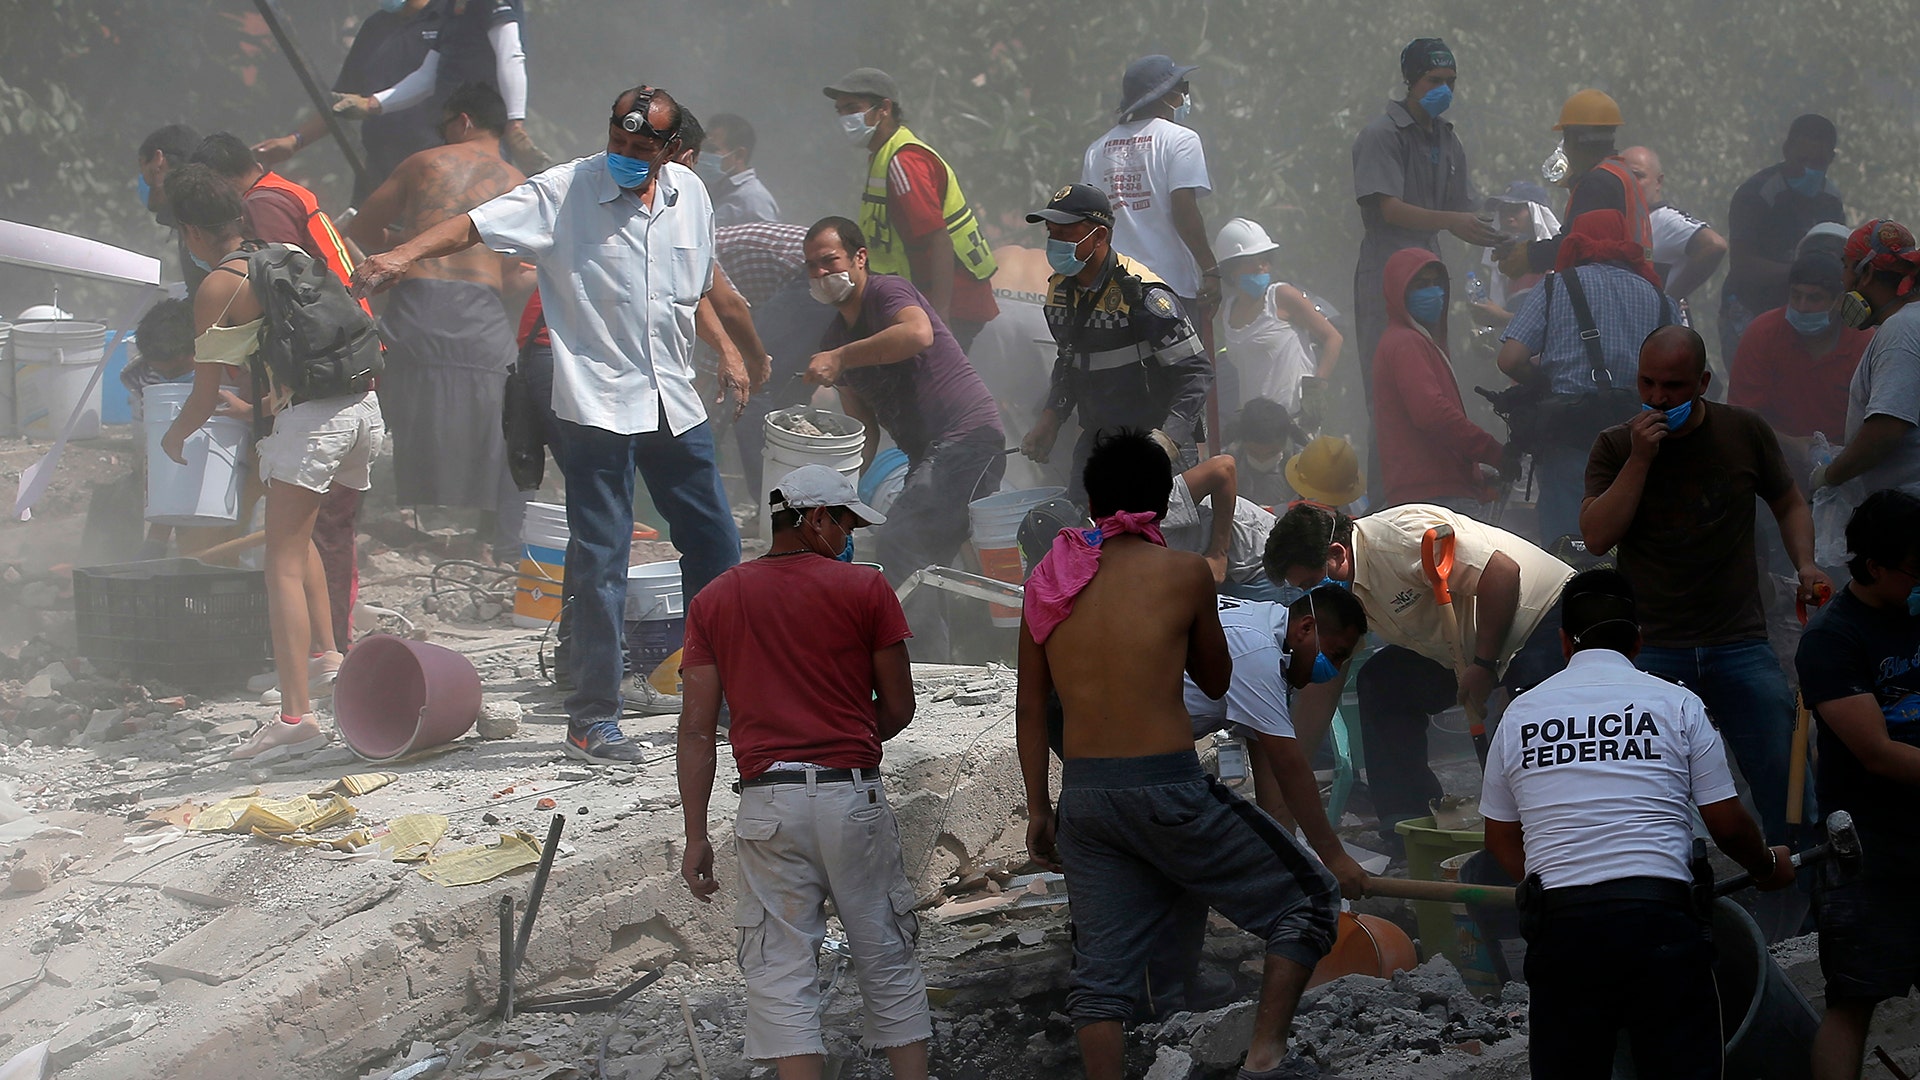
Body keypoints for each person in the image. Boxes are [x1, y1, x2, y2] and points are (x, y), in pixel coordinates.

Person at [353, 85, 742, 764]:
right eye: (617, 144)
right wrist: (401, 256)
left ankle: (728, 698)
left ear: (672, 152)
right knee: (602, 554)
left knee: (717, 544)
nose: (624, 157)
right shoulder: (564, 191)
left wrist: (732, 348)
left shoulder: (692, 197)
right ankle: (592, 719)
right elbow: (473, 222)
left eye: (641, 149)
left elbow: (699, 283)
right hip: (595, 401)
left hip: (672, 398)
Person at [1017, 430, 1337, 1080]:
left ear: (1093, 499)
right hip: (1164, 785)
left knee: (1101, 978)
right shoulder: (1184, 572)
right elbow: (1216, 680)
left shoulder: (1048, 579)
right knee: (1309, 900)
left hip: (1085, 798)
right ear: (1159, 503)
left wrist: (1039, 809)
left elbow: (1029, 709)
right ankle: (1264, 1059)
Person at [1480, 567, 1794, 1080]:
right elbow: (1727, 823)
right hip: (1660, 928)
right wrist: (1767, 867)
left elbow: (1499, 838)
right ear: (1638, 640)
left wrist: (1558, 880)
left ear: (1563, 643)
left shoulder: (1520, 715)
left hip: (1563, 935)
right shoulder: (1677, 704)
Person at [677, 464, 929, 1080]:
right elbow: (899, 707)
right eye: (843, 522)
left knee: (780, 973)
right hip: (851, 799)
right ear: (814, 518)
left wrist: (695, 834)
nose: (848, 536)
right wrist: (846, 737)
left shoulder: (715, 600)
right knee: (886, 956)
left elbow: (695, 729)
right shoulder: (866, 589)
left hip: (767, 806)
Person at [158, 164, 385, 763]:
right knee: (296, 532)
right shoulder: (285, 252)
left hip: (314, 423)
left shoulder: (218, 287)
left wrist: (174, 437)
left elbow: (204, 395)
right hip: (362, 407)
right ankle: (326, 656)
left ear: (190, 230)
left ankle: (295, 718)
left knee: (278, 560)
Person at [1582, 325, 1832, 846]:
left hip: (1738, 638)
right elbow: (1597, 536)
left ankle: (1804, 889)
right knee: (1650, 785)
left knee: (1784, 776)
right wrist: (1640, 459)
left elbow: (1787, 501)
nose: (1657, 398)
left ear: (1703, 383)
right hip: (1652, 647)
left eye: (1673, 386)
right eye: (1647, 383)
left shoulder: (1743, 431)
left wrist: (1806, 563)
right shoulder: (1614, 445)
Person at [1264, 502, 1573, 844]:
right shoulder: (1343, 592)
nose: (1312, 594)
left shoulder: (1399, 540)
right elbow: (1323, 688)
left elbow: (1501, 573)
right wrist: (1291, 772)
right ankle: (1409, 823)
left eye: (1311, 582)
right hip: (1459, 646)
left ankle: (1544, 827)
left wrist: (1484, 666)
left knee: (1525, 722)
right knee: (1383, 683)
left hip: (1538, 619)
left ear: (1337, 554)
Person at [189, 131, 369, 656]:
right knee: (319, 526)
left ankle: (325, 651)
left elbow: (280, 315)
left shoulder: (261, 210)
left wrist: (261, 399)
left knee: (313, 531)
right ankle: (326, 648)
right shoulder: (289, 192)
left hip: (322, 381)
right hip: (342, 366)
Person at [801, 216, 1005, 661]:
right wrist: (839, 493)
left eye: (829, 261)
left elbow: (917, 333)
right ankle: (958, 651)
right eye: (812, 266)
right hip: (927, 454)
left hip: (968, 437)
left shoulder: (886, 292)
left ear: (859, 258)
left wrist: (840, 357)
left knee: (902, 538)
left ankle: (928, 663)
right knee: (924, 555)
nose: (821, 274)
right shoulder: (835, 336)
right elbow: (864, 430)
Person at [346, 83, 529, 560]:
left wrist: (406, 240)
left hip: (417, 308)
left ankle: (359, 518)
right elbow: (512, 275)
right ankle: (493, 539)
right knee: (503, 418)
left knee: (386, 411)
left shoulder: (423, 162)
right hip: (482, 317)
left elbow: (359, 231)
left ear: (462, 120)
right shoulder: (519, 183)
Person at [1794, 491, 1920, 1080]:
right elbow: (1879, 754)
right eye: (1915, 570)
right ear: (1873, 566)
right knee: (1853, 999)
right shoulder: (1832, 637)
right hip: (1868, 845)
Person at [1495, 209, 1678, 544]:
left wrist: (1542, 381)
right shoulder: (1660, 299)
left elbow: (1510, 359)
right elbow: (1683, 374)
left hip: (1569, 440)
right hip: (1641, 443)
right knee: (1635, 549)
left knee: (1571, 554)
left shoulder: (1555, 287)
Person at [1018, 184, 1210, 502]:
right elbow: (1069, 361)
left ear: (1099, 236)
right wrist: (1051, 418)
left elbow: (1196, 373)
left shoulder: (1144, 295)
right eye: (1051, 233)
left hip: (1155, 442)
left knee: (1164, 539)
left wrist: (1169, 437)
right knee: (1083, 533)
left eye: (1067, 232)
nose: (1055, 243)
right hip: (1099, 439)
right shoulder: (1059, 294)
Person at [1350, 37, 1498, 440]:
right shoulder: (1382, 135)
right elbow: (1389, 209)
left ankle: (1430, 488)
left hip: (1429, 273)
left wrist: (1500, 220)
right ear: (1411, 80)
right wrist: (1453, 220)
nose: (1444, 89)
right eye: (1434, 79)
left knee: (1430, 384)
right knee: (1387, 390)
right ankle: (1389, 494)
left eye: (1451, 80)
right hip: (1386, 271)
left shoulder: (1448, 140)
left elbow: (1464, 207)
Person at [1185, 585, 1370, 896]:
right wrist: (1335, 858)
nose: (1333, 670)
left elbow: (1274, 788)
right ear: (1306, 628)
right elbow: (1289, 766)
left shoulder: (1269, 634)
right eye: (1335, 655)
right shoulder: (1258, 652)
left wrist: (1296, 871)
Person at [825, 67, 998, 349]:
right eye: (840, 111)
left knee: (934, 390)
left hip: (950, 301)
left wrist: (938, 316)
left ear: (884, 108)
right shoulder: (883, 155)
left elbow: (938, 239)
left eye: (853, 108)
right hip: (921, 299)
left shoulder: (904, 161)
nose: (845, 118)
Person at [252, 0, 446, 205]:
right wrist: (295, 140)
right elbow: (344, 100)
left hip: (438, 170)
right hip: (377, 170)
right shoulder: (376, 26)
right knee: (368, 233)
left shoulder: (454, 20)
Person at [328, 0, 548, 171]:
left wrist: (514, 126)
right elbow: (428, 75)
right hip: (453, 132)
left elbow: (510, 56)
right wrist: (371, 104)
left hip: (483, 134)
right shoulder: (452, 8)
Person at [1084, 54, 1221, 313]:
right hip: (1168, 287)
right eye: (1183, 89)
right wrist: (1211, 269)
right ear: (1164, 96)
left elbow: (1090, 223)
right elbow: (1184, 211)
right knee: (1182, 355)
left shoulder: (1097, 150)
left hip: (1112, 291)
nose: (1184, 96)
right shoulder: (1180, 140)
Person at [1372, 247, 1504, 511]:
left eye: (1436, 283)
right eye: (1420, 285)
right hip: (1435, 495)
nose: (1433, 292)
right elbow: (1431, 413)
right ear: (1400, 293)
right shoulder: (1406, 342)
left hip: (1435, 489)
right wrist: (1493, 452)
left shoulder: (1417, 341)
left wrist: (1476, 471)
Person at [1721, 115, 1844, 364]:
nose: (1809, 170)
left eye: (1818, 163)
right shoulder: (1757, 194)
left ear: (1831, 159)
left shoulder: (1831, 199)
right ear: (1787, 150)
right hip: (1749, 308)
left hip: (1804, 314)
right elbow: (1742, 265)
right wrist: (1801, 272)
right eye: (1802, 161)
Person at [1813, 220, 1920, 497]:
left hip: (1907, 512)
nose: (1842, 280)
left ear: (1867, 272)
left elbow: (1886, 429)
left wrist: (1829, 475)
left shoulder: (1900, 330)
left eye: (1846, 266)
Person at [1728, 251, 1871, 448]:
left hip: (1847, 459)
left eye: (1814, 298)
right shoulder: (1763, 334)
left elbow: (1879, 423)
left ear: (1839, 302)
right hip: (1771, 453)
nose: (1802, 307)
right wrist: (1792, 445)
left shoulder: (1863, 343)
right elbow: (1740, 418)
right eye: (1796, 296)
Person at [1504, 90, 1650, 279]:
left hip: (1610, 291)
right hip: (1634, 284)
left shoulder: (1596, 183)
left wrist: (1529, 256)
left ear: (1573, 140)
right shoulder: (1621, 174)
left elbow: (1576, 246)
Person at [1213, 218, 1342, 413]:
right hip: (1256, 426)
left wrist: (1317, 388)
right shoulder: (1227, 312)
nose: (1260, 267)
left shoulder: (1282, 296)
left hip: (1294, 419)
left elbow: (1333, 338)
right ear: (1231, 269)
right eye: (1249, 261)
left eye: (1263, 260)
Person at [1161, 451, 1283, 600]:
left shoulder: (1154, 510)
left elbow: (1224, 467)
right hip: (1224, 581)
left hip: (1263, 566)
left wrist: (1218, 554)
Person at [1619, 145, 1728, 303]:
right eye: (1624, 176)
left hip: (1665, 325)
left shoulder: (1666, 220)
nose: (1630, 183)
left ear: (1658, 181)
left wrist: (1670, 298)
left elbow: (1714, 244)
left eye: (1638, 176)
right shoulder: (1620, 221)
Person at [1470, 181, 1560, 332]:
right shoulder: (1508, 267)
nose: (1507, 217)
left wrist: (1503, 318)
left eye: (1515, 210)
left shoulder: (1557, 261)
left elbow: (1556, 320)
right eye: (1503, 211)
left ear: (1535, 213)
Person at [135, 123, 207, 293]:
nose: (141, 179)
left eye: (142, 165)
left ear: (158, 160)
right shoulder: (204, 207)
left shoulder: (196, 222)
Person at [698, 113, 779, 227]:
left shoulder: (754, 200)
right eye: (703, 148)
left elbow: (763, 242)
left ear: (739, 155)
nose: (702, 155)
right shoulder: (709, 189)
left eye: (711, 150)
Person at [1225, 397, 1305, 508]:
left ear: (1285, 442)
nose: (1262, 459)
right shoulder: (1228, 461)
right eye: (1253, 452)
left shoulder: (1303, 465)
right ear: (1242, 441)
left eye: (1272, 453)